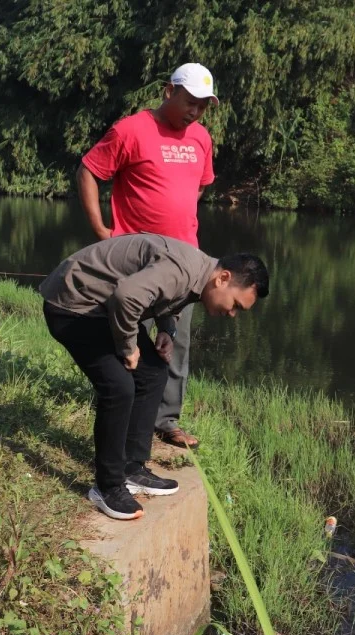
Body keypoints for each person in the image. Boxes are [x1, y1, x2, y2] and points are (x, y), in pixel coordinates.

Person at [39, 234, 269, 520]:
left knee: (153, 372)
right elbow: (127, 296)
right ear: (223, 278)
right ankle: (107, 486)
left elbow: (163, 295)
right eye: (236, 304)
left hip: (103, 308)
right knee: (119, 386)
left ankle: (131, 467)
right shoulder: (183, 268)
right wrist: (128, 346)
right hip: (73, 306)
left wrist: (166, 329)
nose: (233, 314)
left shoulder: (200, 273)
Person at [77, 63, 218, 451]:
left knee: (175, 340)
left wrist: (180, 226)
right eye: (190, 102)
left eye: (203, 106)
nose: (195, 112)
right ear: (168, 91)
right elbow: (88, 170)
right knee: (126, 335)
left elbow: (199, 187)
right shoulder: (131, 130)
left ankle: (166, 420)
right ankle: (121, 409)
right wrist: (102, 232)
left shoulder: (202, 138)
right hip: (134, 259)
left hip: (186, 262)